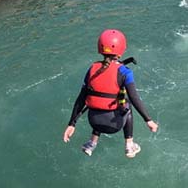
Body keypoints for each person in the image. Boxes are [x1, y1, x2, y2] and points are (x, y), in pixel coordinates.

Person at [63, 30, 158, 158]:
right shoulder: (125, 72)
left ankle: (92, 143)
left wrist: (71, 124)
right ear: (121, 50)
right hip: (114, 125)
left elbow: (81, 98)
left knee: (100, 102)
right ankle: (129, 145)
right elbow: (134, 98)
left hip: (94, 121)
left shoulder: (92, 69)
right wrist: (149, 120)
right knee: (127, 104)